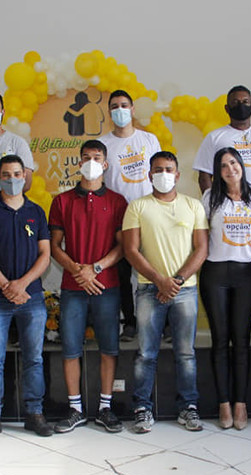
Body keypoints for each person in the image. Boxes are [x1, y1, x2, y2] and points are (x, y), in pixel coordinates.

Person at [123, 151, 209, 433]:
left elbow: (201, 249)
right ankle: (142, 409)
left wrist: (176, 281)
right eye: (158, 170)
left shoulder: (193, 205)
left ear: (178, 175)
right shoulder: (137, 206)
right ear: (149, 175)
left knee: (185, 353)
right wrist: (159, 280)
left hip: (185, 291)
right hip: (149, 289)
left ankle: (189, 407)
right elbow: (131, 250)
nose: (163, 174)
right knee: (146, 353)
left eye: (169, 169)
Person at [49, 140, 128, 433]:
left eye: (97, 157)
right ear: (79, 162)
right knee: (70, 349)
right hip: (73, 287)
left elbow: (123, 247)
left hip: (106, 285)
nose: (91, 162)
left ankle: (105, 408)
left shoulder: (118, 202)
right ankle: (75, 409)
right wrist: (77, 270)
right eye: (86, 157)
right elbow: (54, 246)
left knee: (109, 347)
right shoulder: (62, 201)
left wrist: (94, 269)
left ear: (105, 164)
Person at [0, 154, 53, 441]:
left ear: (24, 176)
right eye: (6, 174)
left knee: (34, 359)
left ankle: (35, 414)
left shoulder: (36, 211)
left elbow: (45, 254)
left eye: (17, 174)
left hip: (32, 298)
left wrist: (22, 285)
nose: (12, 179)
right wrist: (7, 286)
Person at [200, 148, 251, 430]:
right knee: (220, 340)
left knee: (242, 340)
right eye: (223, 165)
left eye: (233, 163)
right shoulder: (209, 197)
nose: (230, 169)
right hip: (215, 274)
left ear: (242, 165)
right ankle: (223, 403)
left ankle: (241, 403)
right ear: (217, 172)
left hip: (247, 274)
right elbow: (199, 237)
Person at [99, 90, 162, 341]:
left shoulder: (149, 140)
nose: (120, 110)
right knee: (123, 272)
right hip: (119, 218)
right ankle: (130, 321)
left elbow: (160, 175)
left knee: (155, 267)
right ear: (109, 112)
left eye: (124, 105)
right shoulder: (103, 144)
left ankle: (162, 322)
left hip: (149, 215)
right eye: (114, 106)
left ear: (133, 109)